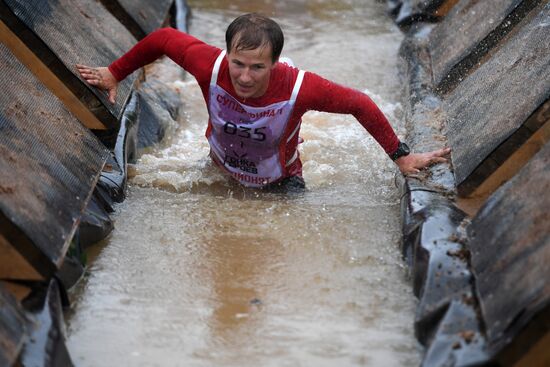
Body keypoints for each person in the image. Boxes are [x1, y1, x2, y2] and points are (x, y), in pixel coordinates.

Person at [77, 13, 449, 190]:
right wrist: (114, 73)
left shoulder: (299, 88)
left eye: (257, 68)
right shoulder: (210, 66)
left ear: (274, 64)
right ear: (227, 55)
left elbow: (360, 103)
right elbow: (162, 38)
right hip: (218, 171)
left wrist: (400, 156)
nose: (244, 77)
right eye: (238, 64)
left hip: (281, 186)